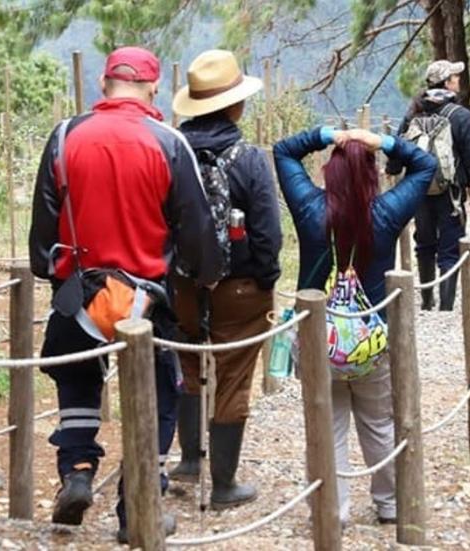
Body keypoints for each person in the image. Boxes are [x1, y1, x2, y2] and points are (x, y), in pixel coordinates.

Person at [28, 46, 223, 543]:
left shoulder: (64, 136)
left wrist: (57, 278)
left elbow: (42, 233)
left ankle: (75, 469)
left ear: (104, 83)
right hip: (145, 300)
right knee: (158, 400)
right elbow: (197, 230)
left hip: (78, 293)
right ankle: (138, 509)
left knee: (75, 384)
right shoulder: (168, 142)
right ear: (154, 87)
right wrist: (205, 275)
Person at [274, 125, 436, 524]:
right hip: (372, 338)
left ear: (329, 172)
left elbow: (283, 151)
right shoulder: (386, 213)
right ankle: (390, 505)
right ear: (372, 175)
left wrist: (330, 134)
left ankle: (334, 509)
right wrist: (380, 141)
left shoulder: (310, 209)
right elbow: (425, 164)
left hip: (317, 339)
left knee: (327, 424)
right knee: (379, 422)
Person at [166, 50, 282, 509]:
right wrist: (265, 279)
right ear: (235, 105)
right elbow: (267, 233)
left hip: (182, 285)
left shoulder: (170, 151)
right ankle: (223, 485)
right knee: (233, 379)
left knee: (189, 367)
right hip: (241, 287)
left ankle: (189, 462)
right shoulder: (249, 159)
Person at [388, 60, 470, 311]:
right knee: (451, 244)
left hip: (417, 189)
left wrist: (395, 172)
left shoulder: (413, 113)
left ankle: (427, 299)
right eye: (455, 76)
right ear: (447, 83)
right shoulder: (461, 116)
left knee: (425, 242)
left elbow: (397, 153)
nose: (458, 80)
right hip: (450, 191)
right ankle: (447, 305)